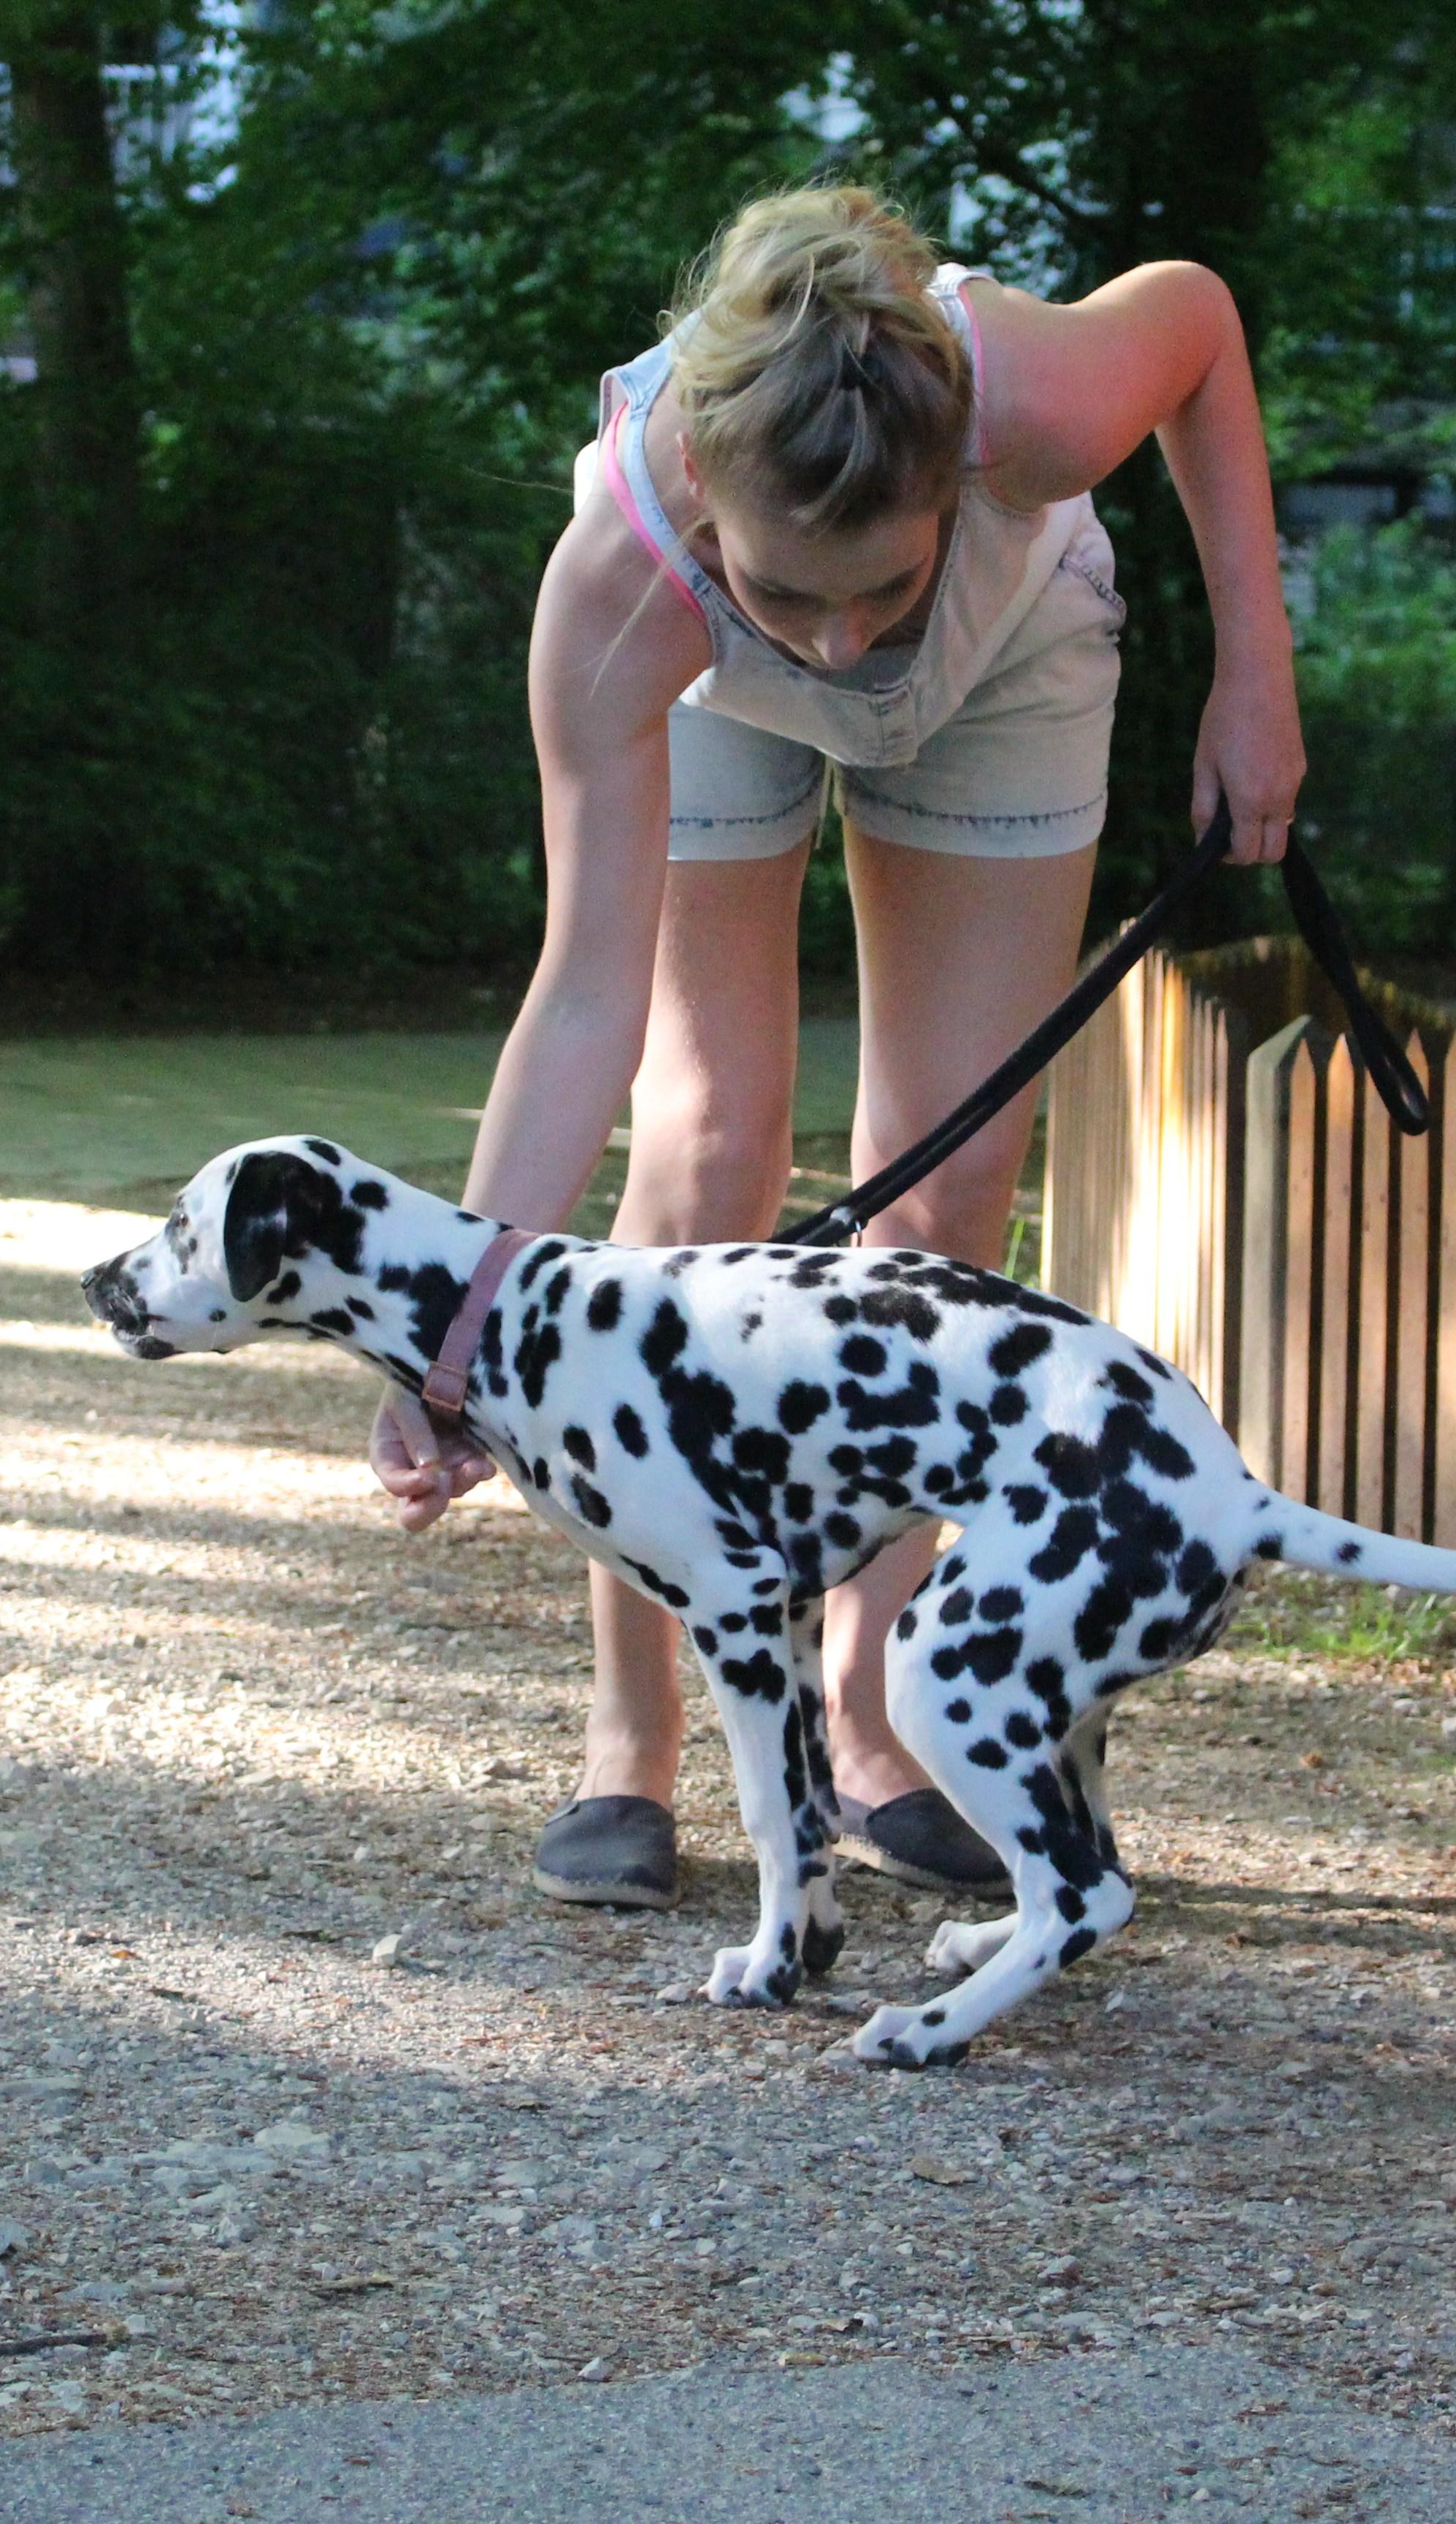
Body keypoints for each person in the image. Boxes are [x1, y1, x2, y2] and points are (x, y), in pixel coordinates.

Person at [364, 188, 1304, 1910]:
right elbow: (582, 998)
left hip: (1009, 658)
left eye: (881, 583)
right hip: (702, 677)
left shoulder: (1028, 401)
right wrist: (451, 1342)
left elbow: (1198, 316)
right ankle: (632, 1736)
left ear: (957, 473)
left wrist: (1259, 668)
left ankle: (869, 1716)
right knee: (707, 1148)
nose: (842, 640)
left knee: (946, 1191)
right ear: (703, 487)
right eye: (798, 587)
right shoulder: (624, 579)